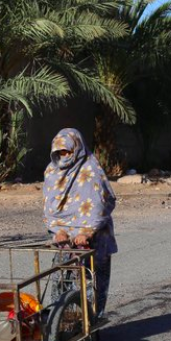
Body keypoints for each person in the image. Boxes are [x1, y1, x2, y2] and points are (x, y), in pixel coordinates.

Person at [43, 128, 117, 317]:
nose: (64, 156)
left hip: (94, 236)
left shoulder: (91, 170)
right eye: (60, 153)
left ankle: (92, 322)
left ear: (77, 148)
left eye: (67, 151)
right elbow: (50, 207)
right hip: (63, 238)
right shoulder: (52, 171)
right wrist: (57, 231)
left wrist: (87, 232)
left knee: (92, 282)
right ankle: (58, 323)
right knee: (60, 279)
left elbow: (101, 205)